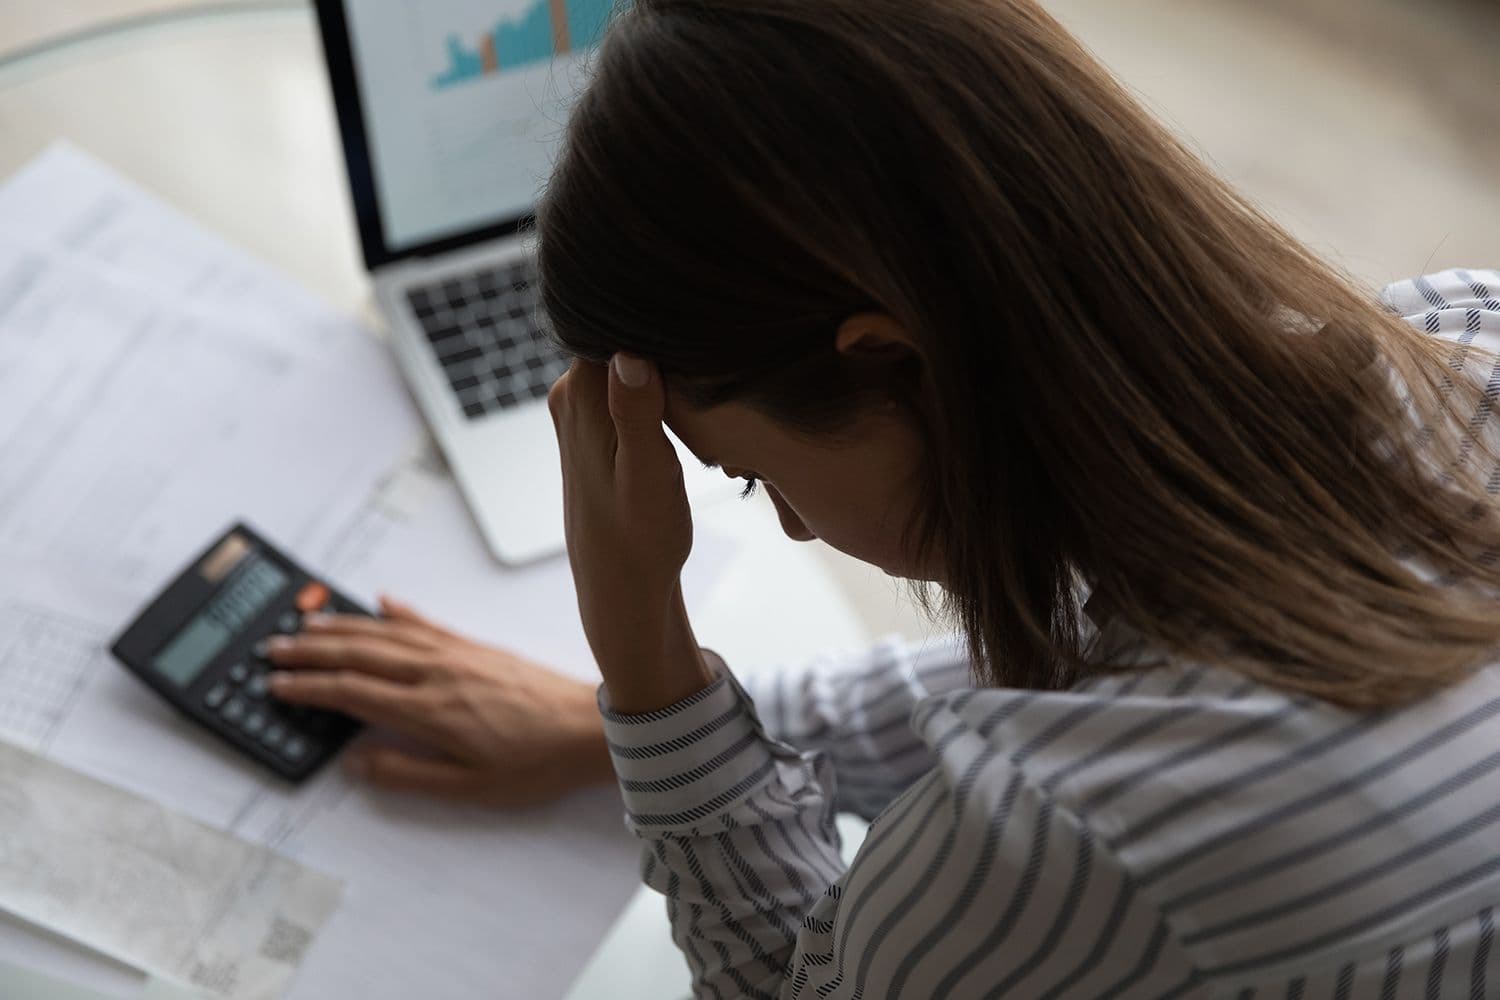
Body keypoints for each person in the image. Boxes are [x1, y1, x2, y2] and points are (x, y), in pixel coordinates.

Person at [265, 0, 1500, 995]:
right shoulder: (1458, 340)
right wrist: (603, 736)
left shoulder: (1070, 834)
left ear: (892, 360)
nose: (791, 523)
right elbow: (1124, 661)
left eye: (750, 472)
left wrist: (643, 655)